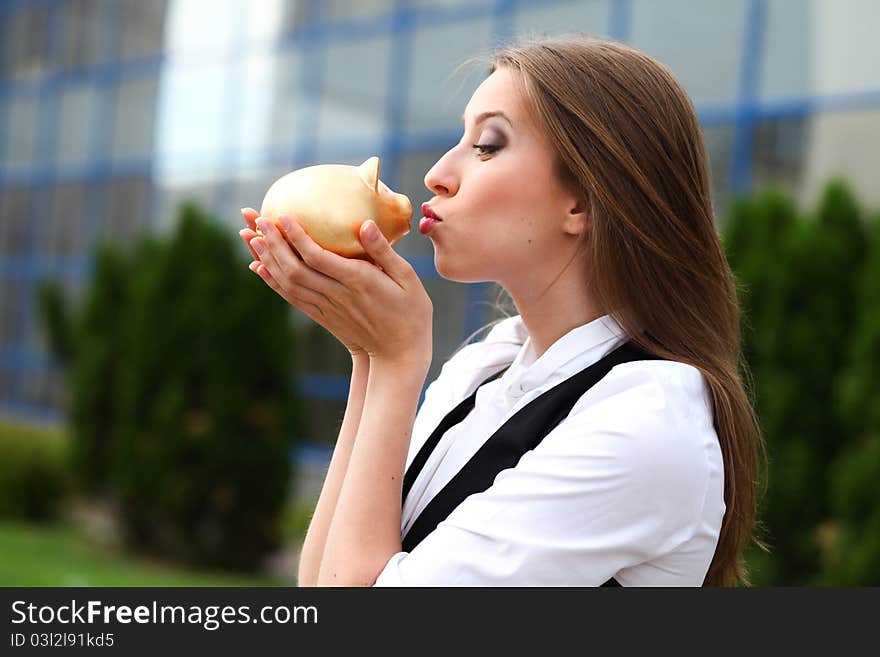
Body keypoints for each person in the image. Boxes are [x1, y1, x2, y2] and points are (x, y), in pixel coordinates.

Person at [238, 35, 768, 587]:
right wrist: (368, 356)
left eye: (487, 145)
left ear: (583, 200)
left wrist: (396, 361)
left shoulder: (646, 422)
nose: (438, 173)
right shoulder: (484, 368)